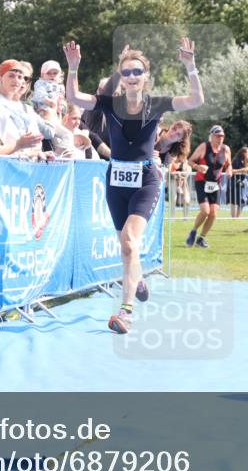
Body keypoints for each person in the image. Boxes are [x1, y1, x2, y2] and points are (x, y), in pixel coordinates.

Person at [64, 37, 203, 334]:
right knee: (127, 247)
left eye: (137, 72)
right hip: (116, 179)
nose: (131, 77)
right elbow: (75, 98)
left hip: (145, 180)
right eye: (126, 72)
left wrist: (190, 66)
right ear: (121, 77)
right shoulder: (109, 104)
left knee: (129, 241)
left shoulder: (157, 104)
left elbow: (195, 101)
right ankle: (137, 279)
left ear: (145, 77)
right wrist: (73, 67)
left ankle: (125, 312)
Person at [187, 125, 231, 249]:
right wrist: (198, 167)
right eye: (217, 136)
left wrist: (229, 170)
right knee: (205, 211)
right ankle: (193, 231)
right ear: (211, 136)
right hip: (202, 182)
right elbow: (190, 161)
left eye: (222, 136)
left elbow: (228, 164)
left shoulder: (226, 149)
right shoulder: (204, 147)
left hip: (215, 184)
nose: (220, 138)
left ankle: (201, 238)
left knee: (213, 214)